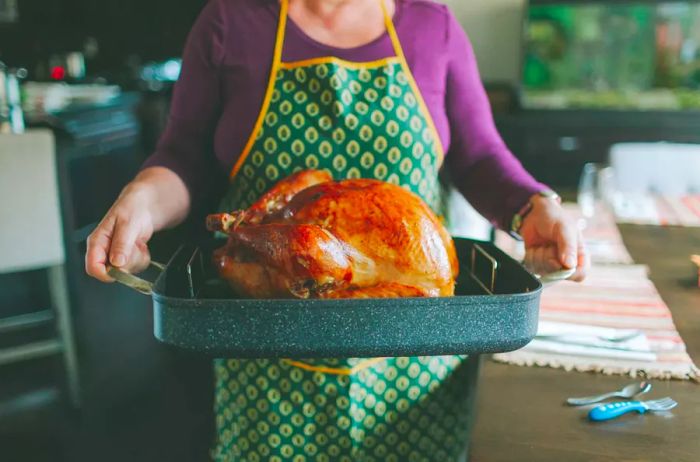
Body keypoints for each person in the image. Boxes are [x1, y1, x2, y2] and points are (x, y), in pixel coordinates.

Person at [86, 0, 587, 460]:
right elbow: (185, 157)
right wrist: (143, 199)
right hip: (268, 360)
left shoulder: (431, 25)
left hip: (414, 362)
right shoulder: (230, 22)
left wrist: (533, 207)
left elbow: (478, 157)